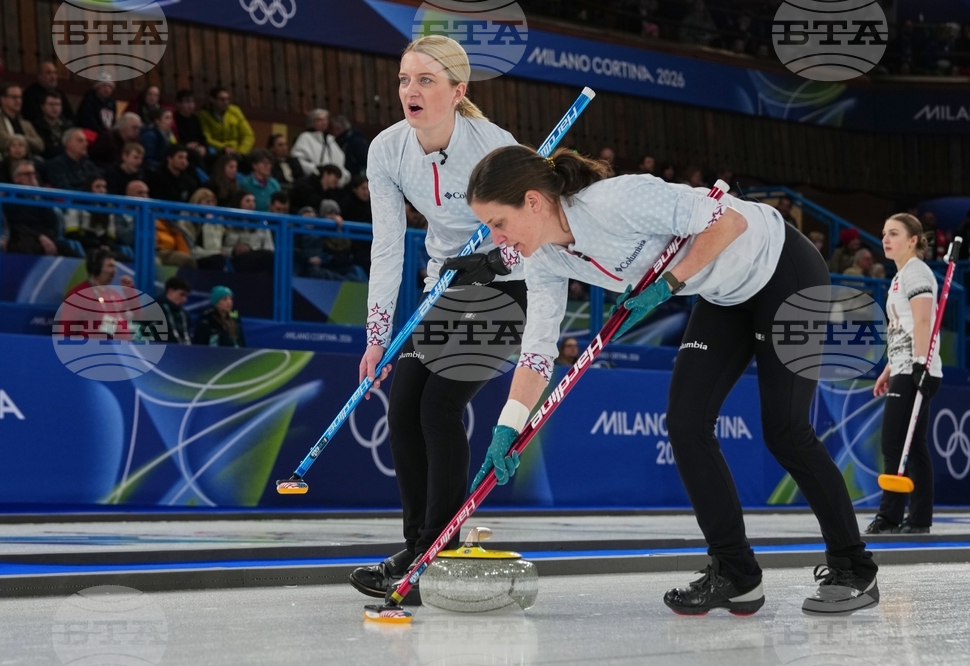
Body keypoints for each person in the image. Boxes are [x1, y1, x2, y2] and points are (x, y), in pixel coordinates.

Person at [463, 144, 879, 616]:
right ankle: (736, 572)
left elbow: (728, 223)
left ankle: (853, 567)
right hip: (722, 293)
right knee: (686, 423)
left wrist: (669, 284)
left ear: (533, 202)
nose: (497, 240)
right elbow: (538, 352)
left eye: (498, 223)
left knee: (785, 430)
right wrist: (508, 427)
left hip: (783, 268)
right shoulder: (542, 260)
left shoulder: (616, 201)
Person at [346, 35, 524, 605]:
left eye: (425, 80)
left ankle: (432, 554)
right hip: (443, 289)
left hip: (502, 288)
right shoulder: (387, 149)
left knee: (439, 406)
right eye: (404, 79)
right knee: (403, 409)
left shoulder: (494, 148)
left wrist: (495, 256)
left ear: (457, 91)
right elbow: (387, 247)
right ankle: (415, 549)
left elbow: (536, 238)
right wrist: (376, 337)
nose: (410, 91)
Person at [866, 214, 944, 536]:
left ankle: (890, 518)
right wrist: (888, 369)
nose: (885, 239)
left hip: (916, 368)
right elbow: (902, 330)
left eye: (894, 233)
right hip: (903, 366)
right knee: (914, 445)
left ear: (913, 240)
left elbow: (923, 322)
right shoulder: (899, 277)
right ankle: (920, 519)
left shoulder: (916, 273)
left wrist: (919, 367)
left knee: (894, 442)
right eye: (884, 233)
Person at [4, 161, 81, 257]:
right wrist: (39, 236)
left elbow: (51, 221)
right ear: (16, 178)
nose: (32, 177)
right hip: (23, 238)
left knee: (75, 256)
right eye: (27, 174)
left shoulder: (42, 195)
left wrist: (38, 197)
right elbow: (15, 224)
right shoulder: (9, 198)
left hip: (47, 237)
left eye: (33, 173)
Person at [291, 108, 351, 185]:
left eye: (325, 120)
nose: (323, 122)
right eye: (319, 120)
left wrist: (342, 176)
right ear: (312, 122)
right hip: (313, 183)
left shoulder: (330, 140)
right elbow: (298, 160)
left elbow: (340, 162)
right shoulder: (305, 138)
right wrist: (316, 171)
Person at [0, 84, 44, 155]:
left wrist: (21, 138)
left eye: (20, 97)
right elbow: (2, 141)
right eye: (14, 97)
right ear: (3, 99)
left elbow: (40, 145)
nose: (18, 101)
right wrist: (25, 140)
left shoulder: (25, 122)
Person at [63, 175, 120, 253]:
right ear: (89, 187)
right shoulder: (76, 205)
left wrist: (106, 246)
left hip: (103, 248)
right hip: (83, 246)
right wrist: (96, 244)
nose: (102, 190)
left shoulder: (109, 208)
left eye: (104, 187)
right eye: (98, 187)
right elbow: (72, 234)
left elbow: (111, 236)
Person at [197, 86, 255, 158]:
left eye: (227, 99)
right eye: (222, 99)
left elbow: (248, 135)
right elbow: (207, 138)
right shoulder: (204, 115)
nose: (226, 102)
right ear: (212, 100)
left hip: (236, 150)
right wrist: (224, 148)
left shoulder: (235, 111)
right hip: (217, 151)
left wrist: (241, 152)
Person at [23, 61, 75, 127]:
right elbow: (32, 117)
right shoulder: (30, 93)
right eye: (49, 73)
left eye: (55, 73)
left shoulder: (59, 93)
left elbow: (69, 116)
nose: (53, 77)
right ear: (40, 76)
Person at [32, 92, 73, 160]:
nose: (55, 108)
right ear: (43, 107)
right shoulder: (36, 125)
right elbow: (44, 148)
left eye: (57, 104)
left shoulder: (67, 126)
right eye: (51, 104)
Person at [156, 276, 193, 344]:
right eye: (182, 294)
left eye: (186, 296)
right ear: (170, 292)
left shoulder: (184, 314)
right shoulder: (154, 309)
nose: (185, 299)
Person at [173, 90, 208, 159]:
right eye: (187, 102)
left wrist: (203, 146)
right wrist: (186, 145)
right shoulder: (175, 119)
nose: (190, 105)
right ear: (178, 104)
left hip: (198, 146)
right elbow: (175, 138)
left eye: (192, 102)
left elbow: (202, 136)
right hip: (183, 148)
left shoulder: (195, 118)